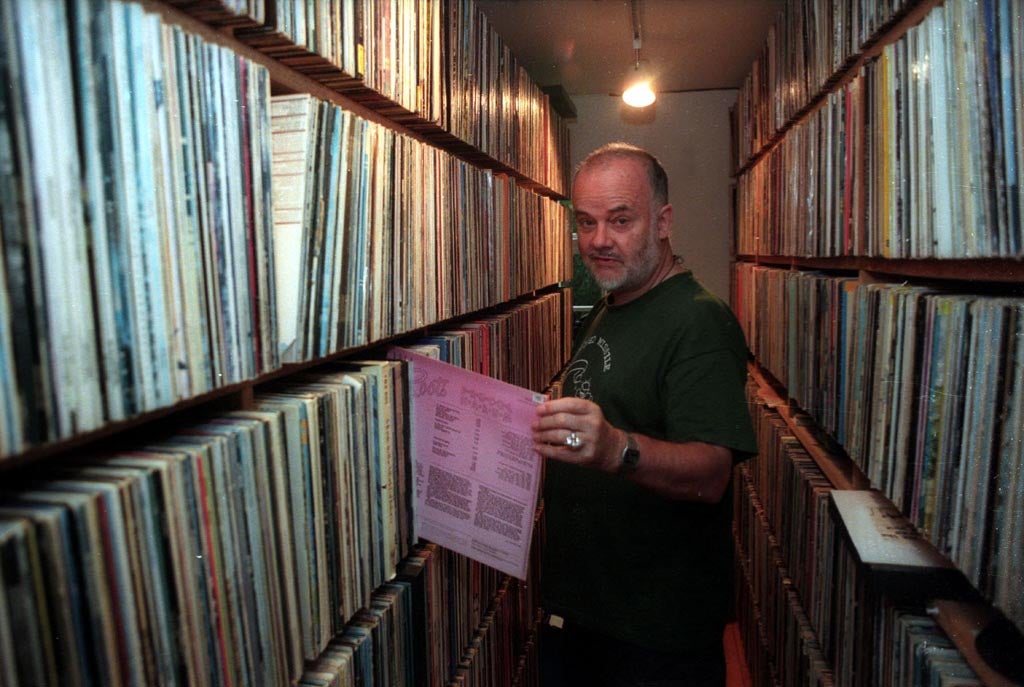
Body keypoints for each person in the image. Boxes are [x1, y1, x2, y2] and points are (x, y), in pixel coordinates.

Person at [531, 143, 757, 687]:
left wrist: (615, 449)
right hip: (584, 615)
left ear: (663, 222)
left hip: (653, 636)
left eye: (620, 220)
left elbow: (711, 473)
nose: (599, 240)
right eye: (586, 222)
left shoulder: (698, 321)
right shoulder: (609, 310)